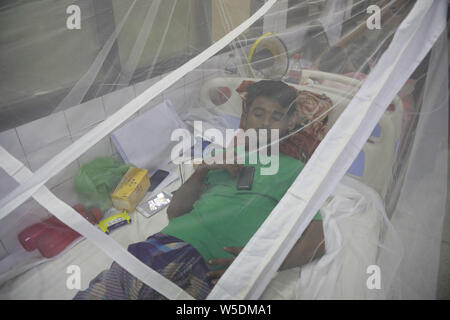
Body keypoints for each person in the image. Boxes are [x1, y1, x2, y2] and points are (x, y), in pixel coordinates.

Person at [74, 80, 325, 300]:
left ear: (291, 122)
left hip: (216, 271)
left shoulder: (298, 170)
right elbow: (175, 212)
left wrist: (259, 266)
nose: (265, 124)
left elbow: (318, 241)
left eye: (276, 116)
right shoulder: (222, 157)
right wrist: (202, 171)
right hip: (168, 245)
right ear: (246, 116)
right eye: (259, 114)